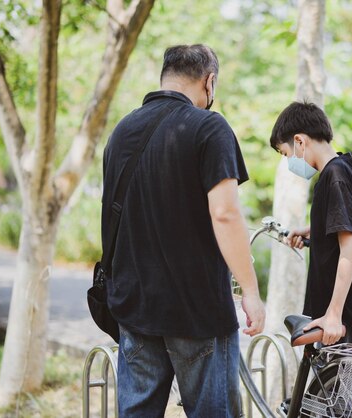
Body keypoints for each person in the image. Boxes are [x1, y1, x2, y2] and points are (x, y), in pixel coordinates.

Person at [102, 44, 265, 417]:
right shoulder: (209, 126)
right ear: (210, 82)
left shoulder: (122, 131)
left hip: (135, 307)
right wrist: (251, 293)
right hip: (197, 313)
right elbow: (224, 214)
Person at [270, 101, 352, 346]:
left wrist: (333, 314)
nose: (290, 163)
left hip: (340, 312)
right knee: (343, 379)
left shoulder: (333, 177)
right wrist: (316, 229)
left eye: (286, 154)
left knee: (338, 383)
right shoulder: (346, 168)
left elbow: (348, 249)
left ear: (299, 141)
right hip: (351, 306)